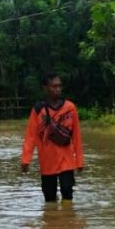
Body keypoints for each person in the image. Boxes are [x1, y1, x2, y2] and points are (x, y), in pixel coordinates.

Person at [21, 72, 84, 205]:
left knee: (67, 193)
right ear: (45, 88)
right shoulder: (38, 110)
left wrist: (79, 161)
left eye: (60, 86)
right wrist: (26, 160)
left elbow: (76, 136)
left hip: (66, 161)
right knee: (49, 199)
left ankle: (68, 221)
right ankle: (52, 224)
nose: (57, 89)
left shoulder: (70, 108)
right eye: (54, 86)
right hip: (47, 161)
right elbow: (31, 135)